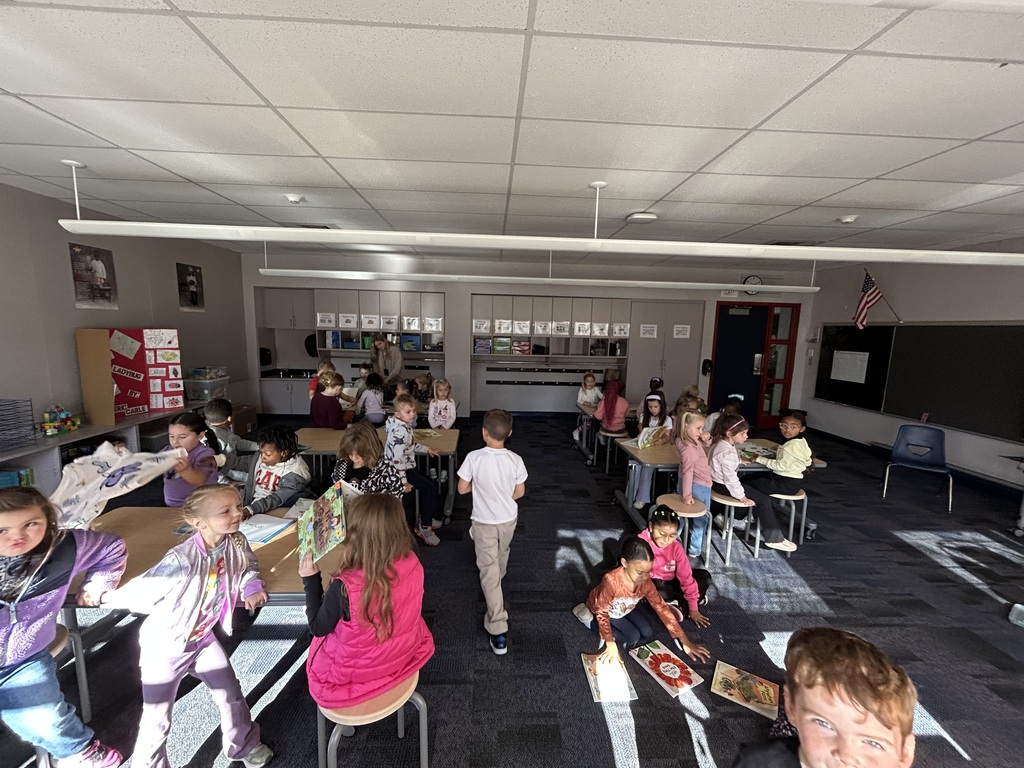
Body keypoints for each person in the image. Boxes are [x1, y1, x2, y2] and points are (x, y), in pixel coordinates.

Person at [101, 485, 273, 768]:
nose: (238, 514)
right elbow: (139, 594)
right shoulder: (180, 560)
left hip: (202, 639)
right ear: (198, 522)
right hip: (167, 646)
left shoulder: (237, 540)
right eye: (226, 511)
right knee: (157, 718)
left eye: (239, 506)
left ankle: (243, 744)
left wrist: (251, 584)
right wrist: (104, 595)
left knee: (230, 693)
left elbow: (247, 566)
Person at [0, 487, 126, 768]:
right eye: (2, 530)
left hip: (22, 661)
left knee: (45, 718)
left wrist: (98, 585)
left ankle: (81, 751)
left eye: (31, 524)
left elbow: (110, 547)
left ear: (48, 521)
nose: (17, 536)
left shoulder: (64, 548)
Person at [300, 494, 434, 709]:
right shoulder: (412, 560)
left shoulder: (345, 587)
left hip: (353, 677)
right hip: (402, 655)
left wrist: (310, 579)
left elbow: (318, 627)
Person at [733, 627, 917, 768]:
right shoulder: (757, 762)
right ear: (790, 706)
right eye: (823, 724)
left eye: (872, 743)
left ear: (904, 753)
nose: (845, 755)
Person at [572, 536, 711, 665]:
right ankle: (588, 621)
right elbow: (603, 612)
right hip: (605, 611)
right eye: (639, 572)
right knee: (632, 637)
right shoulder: (611, 581)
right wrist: (610, 643)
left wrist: (685, 641)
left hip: (626, 607)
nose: (645, 578)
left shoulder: (645, 582)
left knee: (647, 632)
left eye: (648, 572)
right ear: (624, 563)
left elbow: (661, 607)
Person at [457, 409, 528, 656]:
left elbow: (462, 489)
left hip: (484, 522)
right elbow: (519, 493)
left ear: (483, 432)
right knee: (502, 551)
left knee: (488, 570)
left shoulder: (474, 458)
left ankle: (498, 628)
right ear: (508, 434)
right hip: (509, 518)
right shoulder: (515, 459)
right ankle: (498, 579)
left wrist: (481, 484)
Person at [709, 414, 796, 552]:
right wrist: (741, 496)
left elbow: (724, 464)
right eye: (742, 433)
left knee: (756, 492)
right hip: (724, 486)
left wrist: (738, 461)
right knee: (762, 501)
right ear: (729, 433)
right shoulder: (726, 453)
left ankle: (730, 517)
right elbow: (731, 479)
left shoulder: (722, 444)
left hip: (719, 483)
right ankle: (774, 538)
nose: (746, 436)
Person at [639, 505, 711, 626]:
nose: (666, 539)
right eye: (662, 533)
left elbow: (686, 577)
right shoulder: (641, 543)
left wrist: (694, 609)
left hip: (672, 579)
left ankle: (680, 604)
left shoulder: (676, 547)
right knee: (658, 591)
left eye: (672, 535)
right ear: (651, 527)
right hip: (651, 581)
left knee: (704, 576)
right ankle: (684, 602)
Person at [385, 394, 441, 546]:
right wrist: (403, 482)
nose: (413, 414)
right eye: (408, 411)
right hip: (399, 470)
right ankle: (424, 526)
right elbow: (397, 459)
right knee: (429, 488)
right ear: (397, 414)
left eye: (414, 411)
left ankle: (426, 515)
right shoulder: (400, 431)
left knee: (430, 483)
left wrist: (427, 449)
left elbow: (410, 446)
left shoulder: (402, 426)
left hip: (406, 466)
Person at [242, 425, 311, 518]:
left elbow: (278, 498)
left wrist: (252, 508)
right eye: (261, 452)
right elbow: (244, 463)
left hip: (274, 509)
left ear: (283, 453)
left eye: (267, 454)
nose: (262, 457)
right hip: (251, 504)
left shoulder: (295, 472)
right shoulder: (261, 455)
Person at [744, 410, 813, 501]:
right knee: (748, 478)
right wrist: (781, 449)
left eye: (793, 427)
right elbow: (804, 460)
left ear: (802, 429)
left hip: (783, 483)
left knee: (744, 485)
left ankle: (742, 513)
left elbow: (781, 466)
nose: (787, 430)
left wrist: (758, 459)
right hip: (792, 483)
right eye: (784, 426)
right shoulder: (801, 441)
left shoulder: (791, 446)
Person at [673, 409, 713, 557]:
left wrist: (706, 438)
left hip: (690, 484)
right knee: (701, 519)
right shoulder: (689, 448)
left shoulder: (686, 440)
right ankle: (694, 549)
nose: (701, 431)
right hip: (698, 486)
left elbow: (706, 444)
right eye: (698, 428)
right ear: (685, 427)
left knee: (682, 515)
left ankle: (672, 540)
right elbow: (688, 472)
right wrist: (687, 495)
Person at [163, 412, 221, 507]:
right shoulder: (168, 450)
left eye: (182, 437)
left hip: (202, 505)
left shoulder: (205, 454)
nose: (175, 442)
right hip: (173, 504)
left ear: (200, 436)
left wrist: (185, 470)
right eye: (171, 436)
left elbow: (200, 479)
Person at [331, 422, 403, 497]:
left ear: (370, 450)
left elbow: (395, 502)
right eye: (350, 453)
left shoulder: (386, 471)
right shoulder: (342, 463)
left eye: (359, 454)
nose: (354, 458)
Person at [631, 391, 674, 510]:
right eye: (650, 407)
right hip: (644, 448)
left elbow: (667, 435)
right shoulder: (643, 417)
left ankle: (641, 498)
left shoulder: (667, 420)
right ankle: (630, 494)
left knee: (647, 469)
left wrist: (661, 440)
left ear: (661, 406)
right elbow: (641, 432)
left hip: (657, 449)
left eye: (656, 407)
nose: (653, 410)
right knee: (636, 467)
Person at [205, 398, 259, 483]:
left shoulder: (224, 429)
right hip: (227, 474)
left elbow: (238, 442)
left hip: (234, 462)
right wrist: (228, 482)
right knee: (257, 479)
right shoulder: (213, 437)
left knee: (261, 459)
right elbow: (215, 469)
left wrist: (259, 446)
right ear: (230, 418)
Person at [572, 371, 603, 444]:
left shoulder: (596, 389)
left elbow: (602, 396)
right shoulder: (582, 390)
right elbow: (578, 400)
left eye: (592, 381)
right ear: (585, 382)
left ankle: (600, 434)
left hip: (594, 409)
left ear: (594, 381)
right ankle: (577, 431)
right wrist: (584, 403)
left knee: (601, 422)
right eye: (588, 381)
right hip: (584, 410)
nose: (590, 383)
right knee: (588, 425)